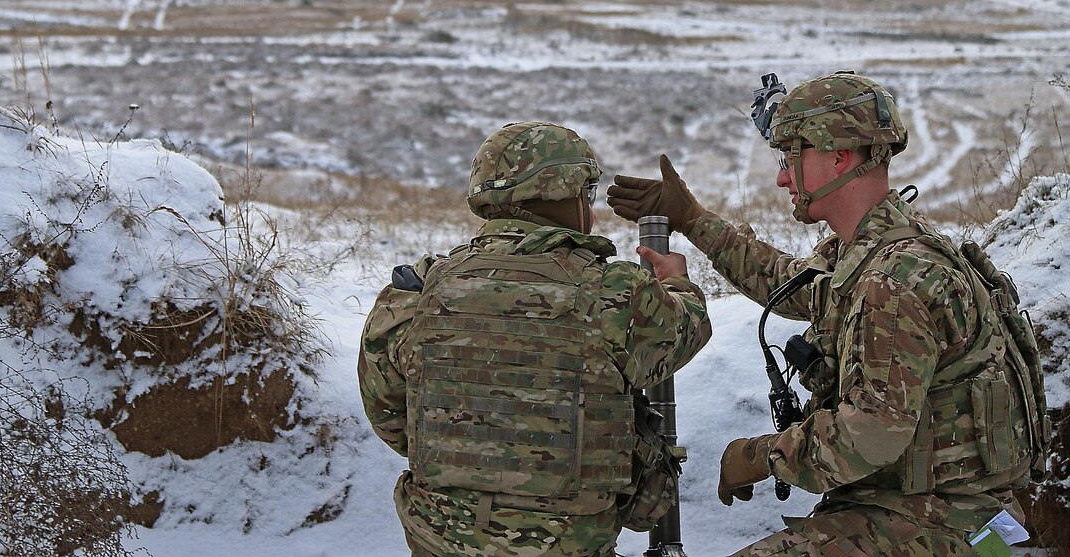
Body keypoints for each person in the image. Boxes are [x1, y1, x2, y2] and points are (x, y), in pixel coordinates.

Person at [607, 72, 1046, 555]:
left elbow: (867, 438)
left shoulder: (892, 284)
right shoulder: (877, 247)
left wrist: (757, 457)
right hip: (916, 506)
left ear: (839, 156)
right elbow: (786, 282)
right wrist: (691, 217)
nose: (780, 177)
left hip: (941, 521)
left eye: (790, 158)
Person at [358, 121, 711, 556]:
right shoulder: (613, 292)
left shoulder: (415, 294)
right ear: (561, 194)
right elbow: (685, 332)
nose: (592, 211)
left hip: (439, 539)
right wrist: (677, 285)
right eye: (587, 195)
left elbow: (392, 418)